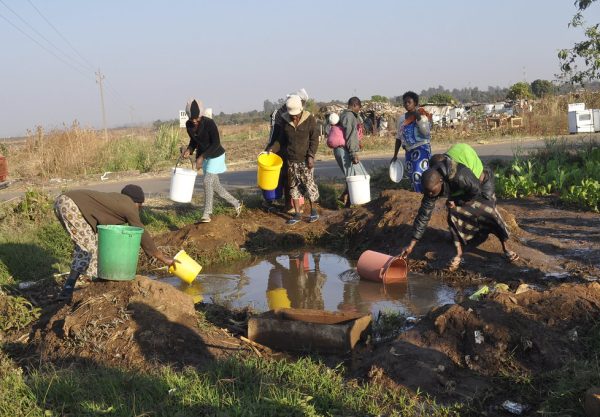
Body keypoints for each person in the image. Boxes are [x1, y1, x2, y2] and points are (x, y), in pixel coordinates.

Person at [54, 185, 175, 299]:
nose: (140, 209)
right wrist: (162, 257)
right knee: (89, 248)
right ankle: (90, 287)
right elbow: (141, 233)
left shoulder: (115, 202)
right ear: (138, 203)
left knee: (88, 245)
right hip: (71, 205)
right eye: (141, 206)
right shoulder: (129, 206)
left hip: (64, 202)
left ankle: (70, 287)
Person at [399, 160, 519, 272]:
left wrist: (457, 202)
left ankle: (505, 246)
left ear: (441, 181)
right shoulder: (431, 185)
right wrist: (411, 245)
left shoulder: (459, 175)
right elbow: (423, 215)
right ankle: (459, 253)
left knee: (488, 210)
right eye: (428, 191)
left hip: (481, 182)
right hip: (463, 190)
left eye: (432, 191)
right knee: (453, 213)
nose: (430, 194)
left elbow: (475, 190)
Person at [182, 99, 242, 223]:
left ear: (201, 114)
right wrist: (189, 150)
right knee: (216, 186)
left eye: (196, 118)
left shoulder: (209, 123)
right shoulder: (189, 125)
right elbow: (194, 141)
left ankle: (207, 213)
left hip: (216, 155)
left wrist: (201, 157)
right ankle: (236, 203)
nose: (194, 120)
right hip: (204, 157)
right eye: (192, 118)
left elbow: (216, 143)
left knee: (207, 181)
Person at [266, 95, 320, 225]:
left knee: (309, 186)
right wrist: (272, 149)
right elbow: (280, 140)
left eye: (296, 115)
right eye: (292, 115)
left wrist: (311, 155)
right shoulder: (285, 120)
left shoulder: (310, 119)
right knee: (293, 187)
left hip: (305, 159)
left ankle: (314, 211)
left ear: (301, 110)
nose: (294, 117)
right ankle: (296, 214)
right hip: (291, 160)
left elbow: (314, 139)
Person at [391, 91, 432, 192]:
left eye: (409, 102)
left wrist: (418, 118)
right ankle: (418, 196)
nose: (406, 104)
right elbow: (399, 137)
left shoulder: (422, 115)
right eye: (405, 102)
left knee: (419, 173)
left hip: (421, 148)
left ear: (415, 103)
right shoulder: (401, 119)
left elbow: (426, 132)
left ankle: (423, 195)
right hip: (409, 151)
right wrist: (395, 155)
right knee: (411, 175)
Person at [335, 97, 369, 207]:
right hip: (345, 150)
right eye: (359, 107)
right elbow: (350, 135)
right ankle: (350, 202)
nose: (359, 110)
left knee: (352, 176)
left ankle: (347, 202)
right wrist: (353, 153)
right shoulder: (350, 116)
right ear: (355, 105)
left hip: (341, 150)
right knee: (356, 176)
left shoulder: (344, 115)